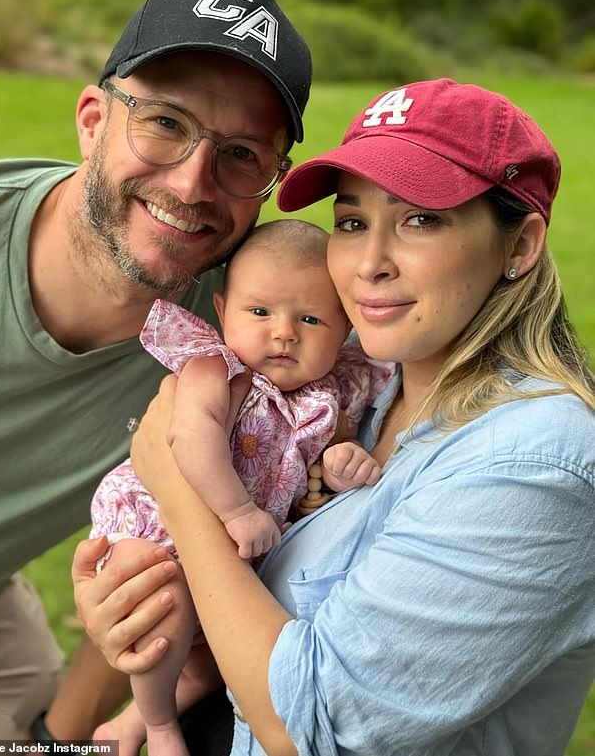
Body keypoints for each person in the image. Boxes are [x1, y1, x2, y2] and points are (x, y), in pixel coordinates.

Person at [73, 77, 595, 756]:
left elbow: (310, 724)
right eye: (351, 222)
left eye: (419, 219)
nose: (368, 264)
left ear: (519, 246)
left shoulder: (535, 464)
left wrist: (179, 492)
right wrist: (134, 601)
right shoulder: (359, 386)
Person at [0, 0, 312, 745]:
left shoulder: (242, 333)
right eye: (164, 122)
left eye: (242, 154)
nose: (192, 182)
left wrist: (62, 730)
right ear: (92, 120)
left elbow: (158, 556)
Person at [89, 218, 393, 756]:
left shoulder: (327, 394)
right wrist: (236, 511)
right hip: (156, 520)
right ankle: (160, 728)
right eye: (260, 312)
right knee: (163, 606)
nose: (284, 333)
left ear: (344, 328)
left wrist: (344, 462)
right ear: (223, 312)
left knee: (208, 663)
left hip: (230, 551)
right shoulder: (218, 368)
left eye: (310, 318)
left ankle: (128, 724)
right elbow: (187, 438)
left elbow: (324, 461)